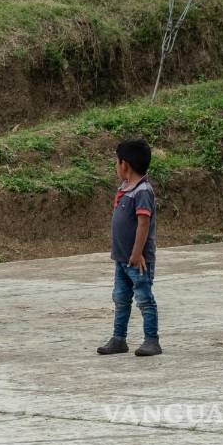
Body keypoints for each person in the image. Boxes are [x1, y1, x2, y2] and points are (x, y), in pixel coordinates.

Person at [97, 139, 162, 357]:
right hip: (122, 259)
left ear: (125, 164)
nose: (116, 166)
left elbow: (143, 224)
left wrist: (137, 253)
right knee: (120, 298)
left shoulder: (143, 191)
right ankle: (119, 338)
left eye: (116, 162)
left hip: (137, 260)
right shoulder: (125, 189)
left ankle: (152, 340)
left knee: (144, 298)